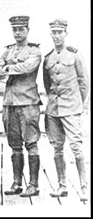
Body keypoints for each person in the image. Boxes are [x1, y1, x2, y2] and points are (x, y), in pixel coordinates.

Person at [0, 16, 43, 197]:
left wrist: (9, 68)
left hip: (28, 103)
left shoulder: (34, 51)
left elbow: (27, 68)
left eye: (21, 29)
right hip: (9, 103)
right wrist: (9, 67)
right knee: (14, 144)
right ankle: (17, 183)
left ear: (27, 30)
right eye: (15, 30)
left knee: (31, 142)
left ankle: (34, 184)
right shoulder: (7, 51)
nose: (17, 33)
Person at [43, 19, 89, 201]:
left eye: (60, 32)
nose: (57, 36)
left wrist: (76, 104)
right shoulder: (47, 58)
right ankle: (62, 185)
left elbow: (84, 84)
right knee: (57, 148)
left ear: (66, 33)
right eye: (54, 32)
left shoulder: (75, 56)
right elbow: (47, 85)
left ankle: (84, 187)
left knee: (77, 147)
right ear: (51, 35)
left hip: (71, 108)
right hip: (53, 110)